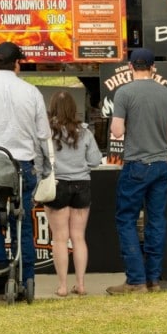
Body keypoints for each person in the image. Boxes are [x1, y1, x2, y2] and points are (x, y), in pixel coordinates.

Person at [107, 47, 167, 295]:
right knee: (156, 221)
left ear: (130, 67)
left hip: (136, 164)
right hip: (161, 164)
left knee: (126, 219)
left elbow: (116, 132)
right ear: (153, 68)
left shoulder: (124, 92)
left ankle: (135, 280)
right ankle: (153, 280)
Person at [0, 41, 50, 292]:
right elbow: (43, 136)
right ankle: (26, 278)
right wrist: (45, 168)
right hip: (21, 166)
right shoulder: (31, 92)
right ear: (17, 63)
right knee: (23, 224)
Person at [44, 91, 103, 297]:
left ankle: (62, 286)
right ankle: (81, 284)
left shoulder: (46, 133)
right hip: (82, 185)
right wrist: (80, 165)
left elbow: (38, 161)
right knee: (78, 237)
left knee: (60, 238)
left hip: (57, 185)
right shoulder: (85, 132)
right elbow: (95, 161)